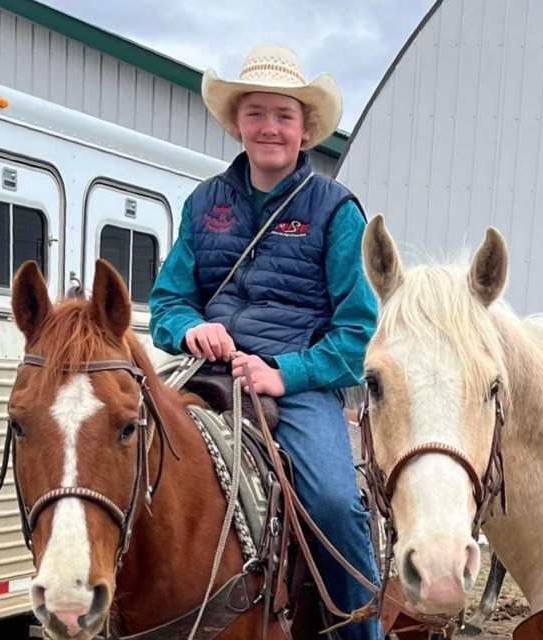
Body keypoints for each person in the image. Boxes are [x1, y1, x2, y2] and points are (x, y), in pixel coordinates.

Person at [149, 44, 381, 640]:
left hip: (297, 381)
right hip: (206, 371)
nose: (269, 127)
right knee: (119, 449)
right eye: (256, 113)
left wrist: (286, 373)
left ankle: (360, 630)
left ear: (306, 131)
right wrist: (189, 327)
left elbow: (359, 333)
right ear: (237, 123)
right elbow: (168, 302)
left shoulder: (336, 210)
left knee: (332, 502)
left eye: (284, 115)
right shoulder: (204, 203)